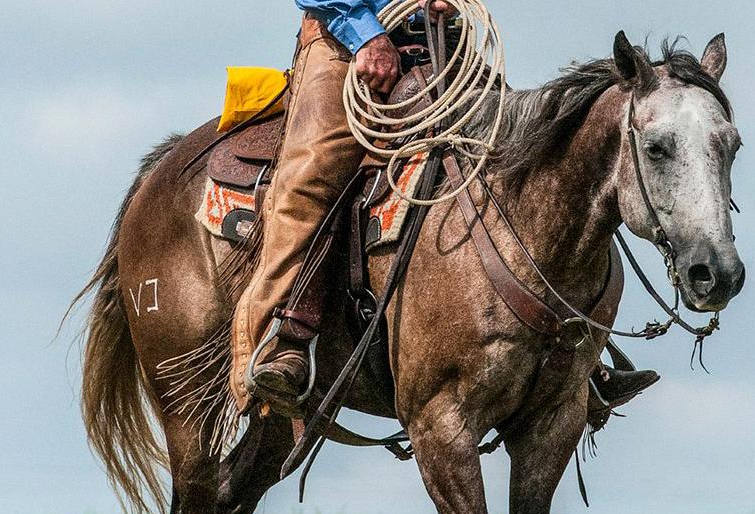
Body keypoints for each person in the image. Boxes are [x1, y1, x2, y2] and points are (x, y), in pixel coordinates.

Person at [231, 0, 658, 413]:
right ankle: (281, 335)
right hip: (341, 43)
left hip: (440, 48)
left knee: (526, 154)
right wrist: (367, 35)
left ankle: (578, 355)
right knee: (311, 181)